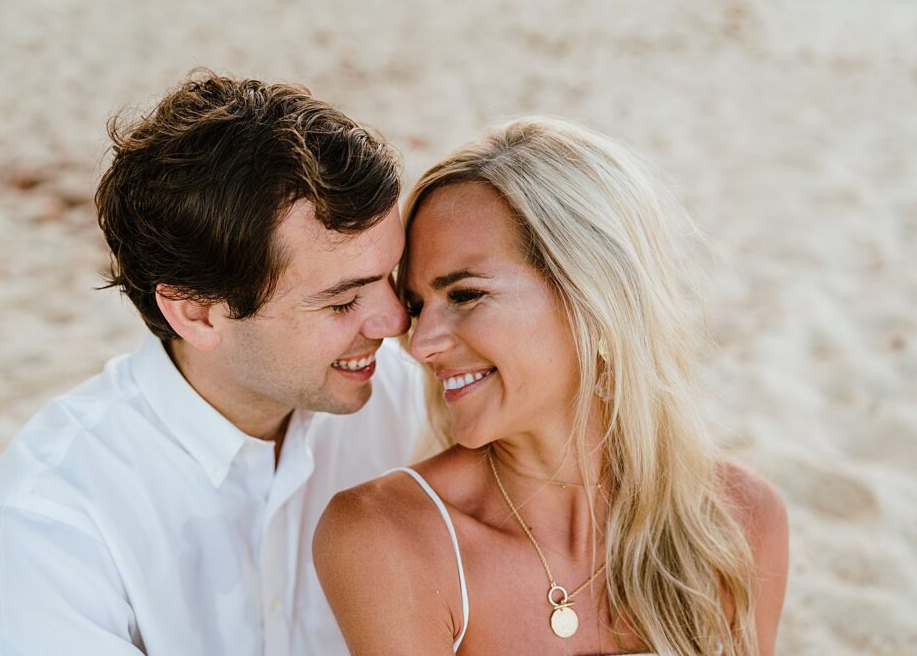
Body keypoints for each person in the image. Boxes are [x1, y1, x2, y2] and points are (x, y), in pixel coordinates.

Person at [0, 71, 428, 655]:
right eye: (342, 300)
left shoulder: (415, 401)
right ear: (197, 314)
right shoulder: (47, 520)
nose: (396, 322)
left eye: (391, 276)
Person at [314, 117, 789, 655]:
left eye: (465, 295)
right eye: (418, 306)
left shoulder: (738, 520)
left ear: (594, 298)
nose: (420, 344)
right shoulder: (392, 538)